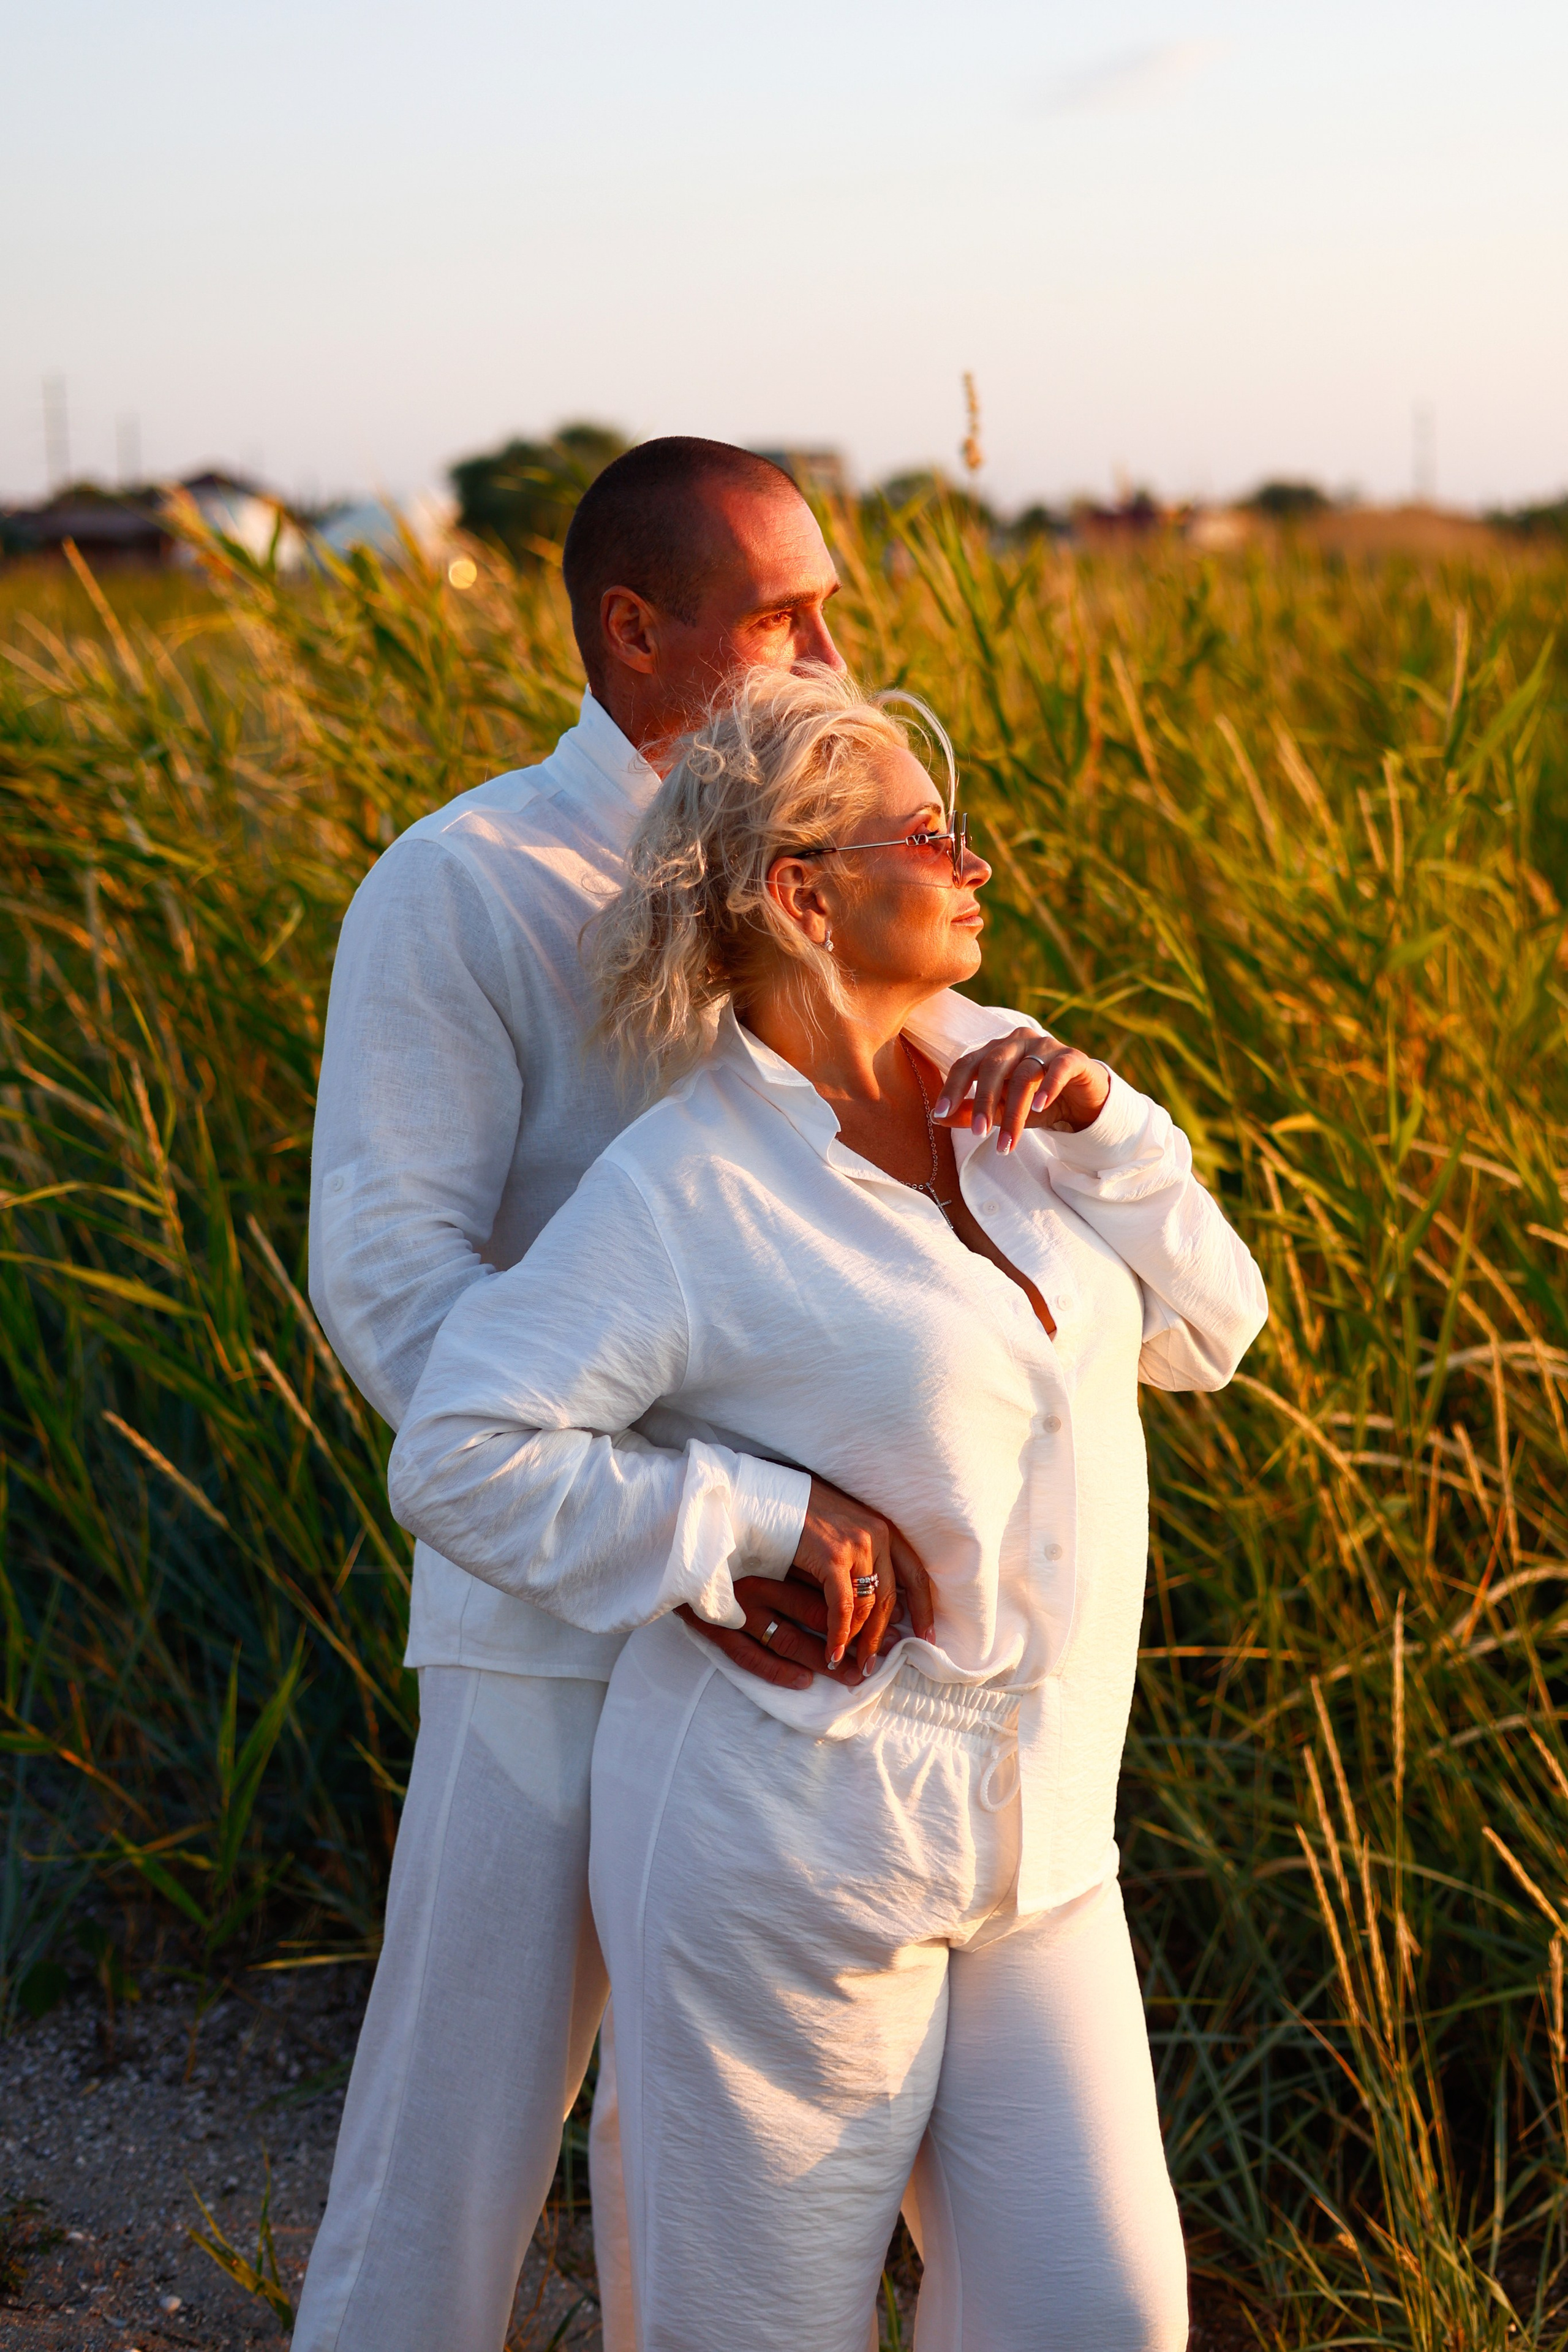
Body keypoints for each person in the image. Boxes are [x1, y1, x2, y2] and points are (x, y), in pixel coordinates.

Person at [388, 665, 1270, 2352]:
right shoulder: (686, 1184)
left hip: (1047, 1829)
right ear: (806, 892)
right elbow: (460, 1454)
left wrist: (1105, 1116)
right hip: (782, 1842)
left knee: (1100, 2318)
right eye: (935, 835)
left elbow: (1212, 1331)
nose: (977, 865)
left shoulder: (1005, 1102)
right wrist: (750, 1516)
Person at [295, 442, 923, 2352]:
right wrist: (684, 1528)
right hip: (561, 1625)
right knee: (452, 2147)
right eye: (777, 616)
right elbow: (392, 1290)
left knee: (732, 2175)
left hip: (812, 1647)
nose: (829, 648)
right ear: (631, 631)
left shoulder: (840, 875)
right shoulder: (464, 886)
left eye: (832, 601)